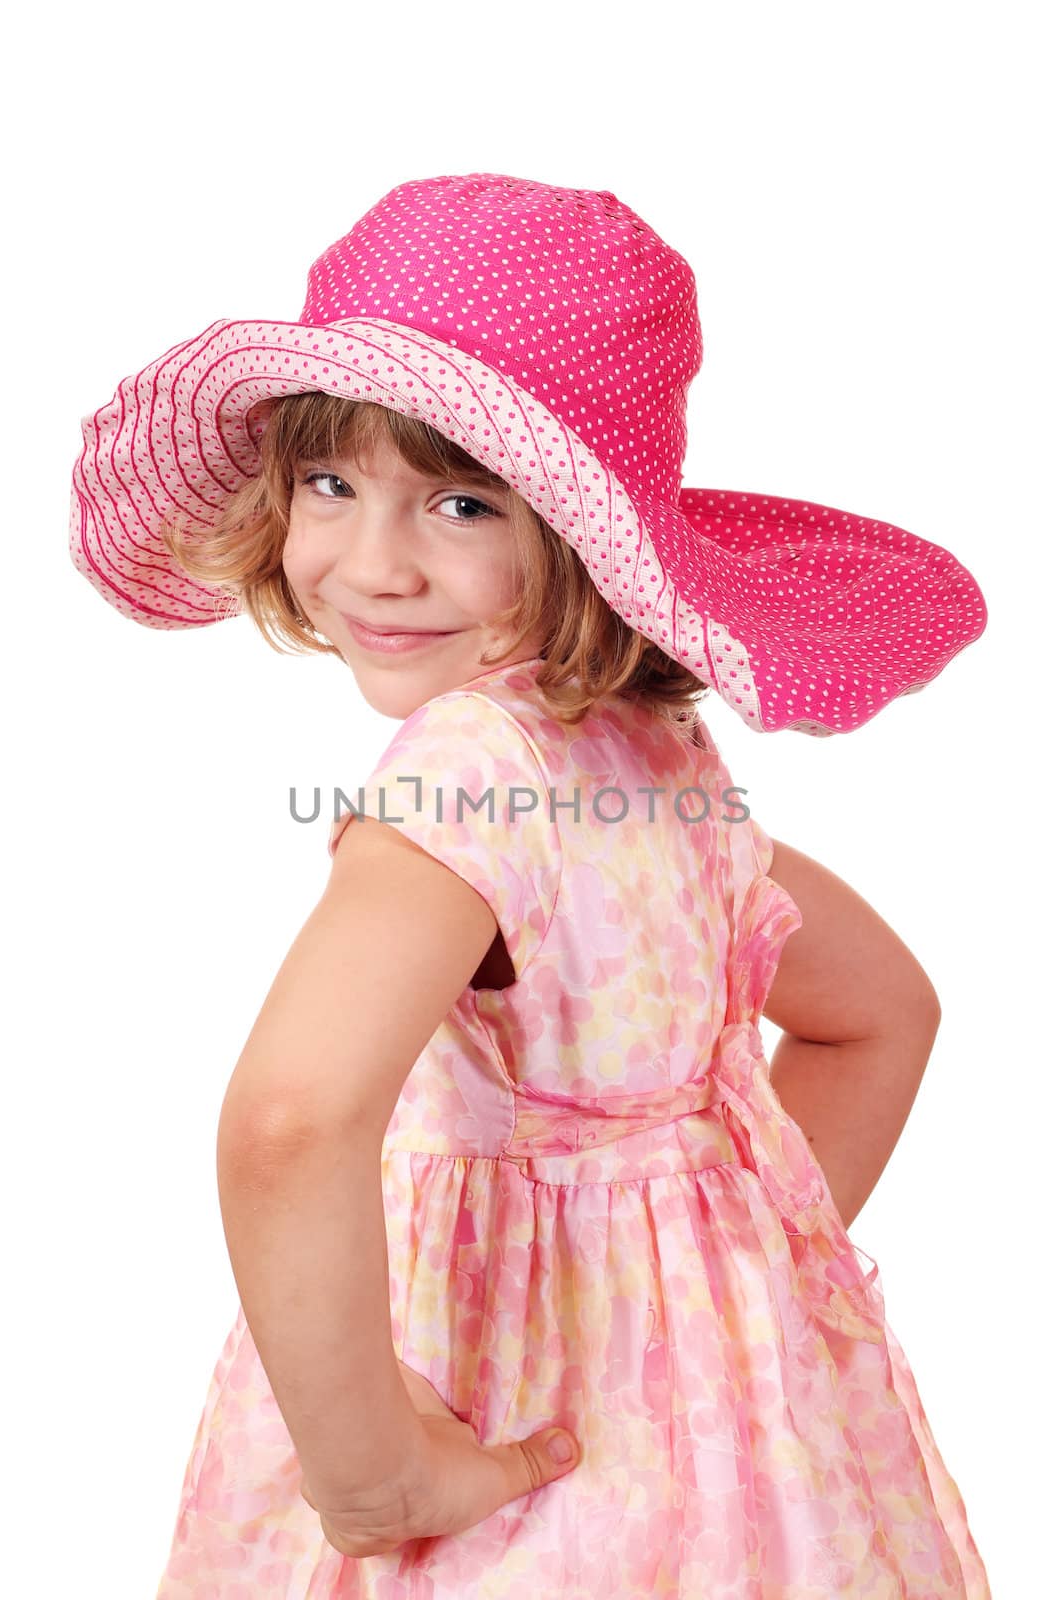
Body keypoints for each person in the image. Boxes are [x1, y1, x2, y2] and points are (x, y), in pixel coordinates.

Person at [69, 173, 993, 1597]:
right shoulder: (662, 759)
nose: (371, 563)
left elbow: (291, 1121)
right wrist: (736, 1292)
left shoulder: (466, 769)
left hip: (485, 1444)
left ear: (580, 533)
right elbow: (883, 1015)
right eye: (331, 484)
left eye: (457, 501)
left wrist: (375, 1464)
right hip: (721, 1460)